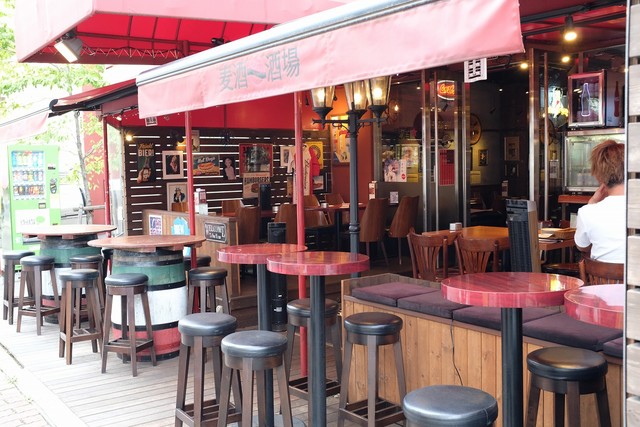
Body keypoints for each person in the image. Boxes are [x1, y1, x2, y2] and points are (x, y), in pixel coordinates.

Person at [574, 139, 625, 263]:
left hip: (601, 276)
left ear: (599, 177)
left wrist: (592, 202)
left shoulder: (587, 212)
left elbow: (582, 246)